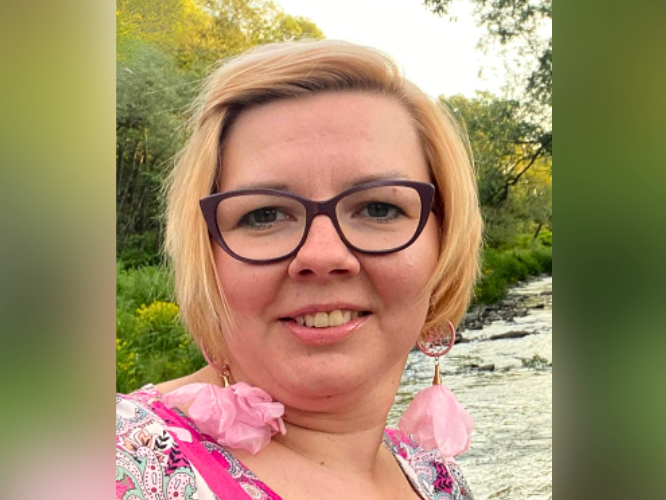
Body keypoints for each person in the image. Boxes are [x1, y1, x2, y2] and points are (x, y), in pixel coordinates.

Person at [116, 40, 482, 500]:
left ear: (444, 241)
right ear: (206, 253)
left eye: (378, 208)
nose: (323, 255)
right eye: (264, 215)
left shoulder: (436, 478)